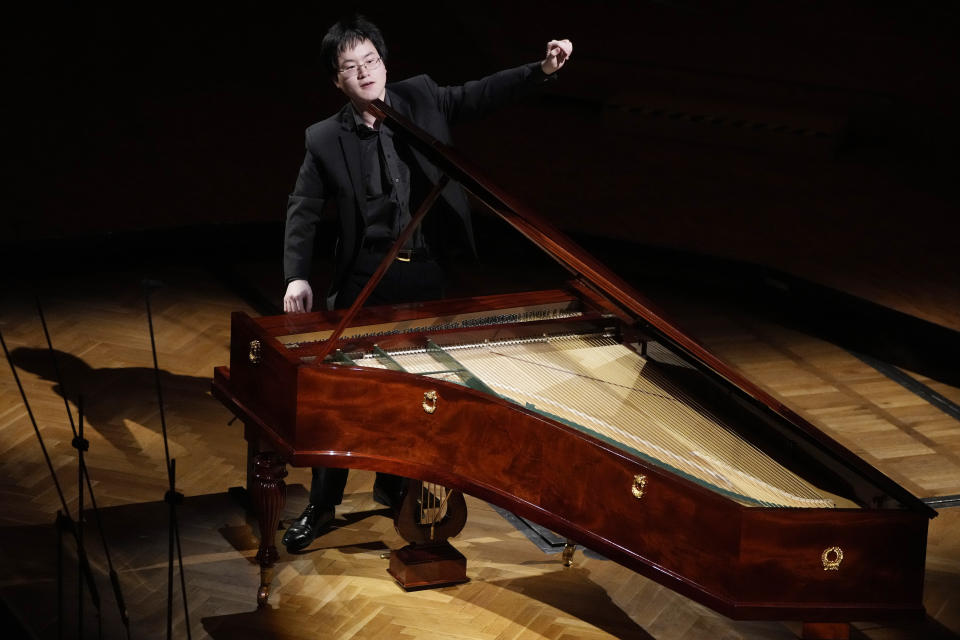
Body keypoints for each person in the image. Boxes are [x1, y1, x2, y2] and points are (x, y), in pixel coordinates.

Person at [280, 14, 572, 552]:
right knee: (344, 399)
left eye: (371, 61)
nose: (365, 72)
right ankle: (323, 504)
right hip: (367, 278)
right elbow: (303, 206)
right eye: (351, 67)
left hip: (428, 273)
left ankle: (394, 486)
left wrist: (541, 69)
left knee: (415, 393)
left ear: (384, 64)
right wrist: (297, 274)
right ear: (337, 81)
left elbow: (482, 94)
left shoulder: (421, 97)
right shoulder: (324, 139)